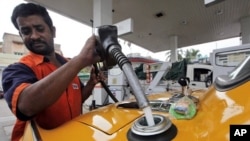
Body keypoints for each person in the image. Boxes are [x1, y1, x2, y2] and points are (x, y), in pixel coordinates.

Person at [2, 3, 103, 141]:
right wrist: (80, 60)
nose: (34, 36)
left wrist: (91, 84)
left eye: (39, 28)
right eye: (26, 31)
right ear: (21, 35)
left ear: (53, 31)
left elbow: (77, 98)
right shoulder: (18, 69)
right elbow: (26, 106)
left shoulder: (67, 65)